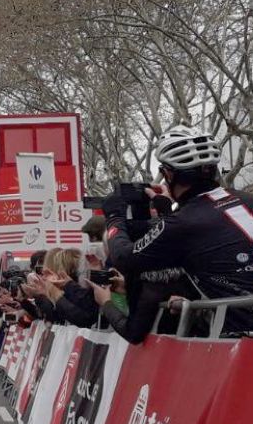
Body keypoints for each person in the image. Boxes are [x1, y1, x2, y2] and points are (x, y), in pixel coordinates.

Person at [104, 125, 253, 334]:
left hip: (241, 340)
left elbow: (124, 257)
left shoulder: (183, 224)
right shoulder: (245, 199)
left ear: (168, 174)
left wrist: (114, 218)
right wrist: (168, 209)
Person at [24, 248, 99, 328]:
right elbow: (55, 317)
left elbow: (84, 318)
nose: (43, 275)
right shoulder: (70, 290)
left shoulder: (77, 291)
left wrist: (56, 295)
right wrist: (41, 296)